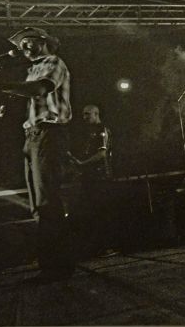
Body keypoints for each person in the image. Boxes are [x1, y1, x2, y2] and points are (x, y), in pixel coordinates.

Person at [0, 27, 74, 284]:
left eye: (27, 42)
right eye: (20, 44)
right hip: (34, 137)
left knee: (47, 201)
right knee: (38, 204)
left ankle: (57, 268)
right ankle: (52, 265)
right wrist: (2, 101)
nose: (22, 47)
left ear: (43, 41)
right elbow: (28, 95)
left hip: (49, 134)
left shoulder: (53, 62)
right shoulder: (32, 69)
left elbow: (40, 89)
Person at [68, 104, 117, 258]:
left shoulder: (102, 130)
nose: (85, 117)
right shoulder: (89, 132)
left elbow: (102, 154)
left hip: (100, 177)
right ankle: (97, 247)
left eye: (87, 114)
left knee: (99, 211)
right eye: (84, 114)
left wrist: (83, 163)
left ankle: (105, 246)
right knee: (92, 212)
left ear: (96, 114)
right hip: (91, 177)